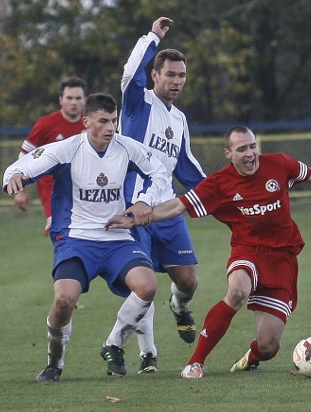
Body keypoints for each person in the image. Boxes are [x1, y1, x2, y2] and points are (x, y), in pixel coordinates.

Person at [105, 125, 311, 379]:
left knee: (268, 347)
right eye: (242, 149)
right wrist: (141, 218)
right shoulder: (220, 184)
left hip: (283, 258)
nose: (250, 153)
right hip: (247, 250)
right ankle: (196, 362)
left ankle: (249, 360)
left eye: (253, 146)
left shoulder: (280, 164)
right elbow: (178, 205)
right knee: (238, 290)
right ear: (228, 154)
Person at [3, 93, 170, 382]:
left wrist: (144, 201)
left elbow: (160, 173)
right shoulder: (66, 149)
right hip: (76, 239)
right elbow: (21, 166)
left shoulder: (127, 148)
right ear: (86, 122)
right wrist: (14, 178)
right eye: (103, 121)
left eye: (114, 121)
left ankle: (113, 344)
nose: (110, 128)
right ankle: (54, 363)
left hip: (118, 239)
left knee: (147, 286)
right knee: (64, 300)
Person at [117, 16, 207, 374]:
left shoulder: (179, 119)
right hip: (134, 208)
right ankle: (146, 354)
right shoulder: (137, 102)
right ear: (155, 75)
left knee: (187, 280)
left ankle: (180, 307)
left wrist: (225, 193)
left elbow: (185, 166)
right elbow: (131, 70)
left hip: (167, 210)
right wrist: (152, 36)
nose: (176, 82)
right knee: (143, 284)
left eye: (181, 76)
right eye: (170, 74)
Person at [13, 77, 88, 236]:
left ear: (85, 100)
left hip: (85, 188)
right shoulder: (46, 124)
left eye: (78, 98)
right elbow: (25, 155)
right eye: (69, 98)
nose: (73, 102)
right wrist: (20, 189)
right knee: (60, 229)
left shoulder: (91, 124)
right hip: (52, 188)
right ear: (61, 100)